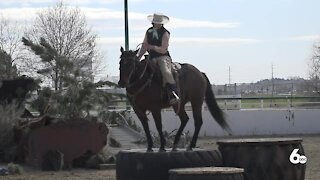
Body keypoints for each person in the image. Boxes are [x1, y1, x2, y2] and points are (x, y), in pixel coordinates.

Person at [136, 13, 179, 105]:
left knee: (165, 71)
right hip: (151, 57)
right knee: (141, 70)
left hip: (163, 57)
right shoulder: (149, 32)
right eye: (155, 22)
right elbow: (144, 45)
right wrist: (138, 58)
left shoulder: (165, 33)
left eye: (158, 22)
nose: (156, 24)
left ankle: (173, 92)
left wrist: (152, 47)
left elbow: (164, 49)